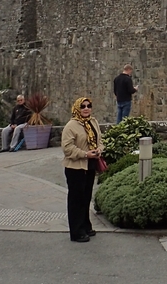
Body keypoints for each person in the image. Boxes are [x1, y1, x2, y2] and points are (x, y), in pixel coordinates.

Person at [61, 96, 103, 243]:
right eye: (83, 106)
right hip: (75, 167)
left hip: (90, 165)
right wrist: (85, 154)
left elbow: (100, 140)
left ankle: (85, 226)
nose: (86, 108)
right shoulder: (71, 126)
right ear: (77, 108)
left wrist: (99, 150)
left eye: (88, 105)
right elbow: (67, 148)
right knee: (76, 200)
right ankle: (76, 231)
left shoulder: (93, 122)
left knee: (86, 197)